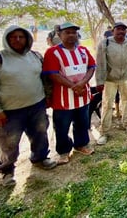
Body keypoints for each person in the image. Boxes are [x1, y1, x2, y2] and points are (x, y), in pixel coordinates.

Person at [0, 25, 57, 187]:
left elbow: (45, 79)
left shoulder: (35, 56)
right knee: (8, 142)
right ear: (7, 39)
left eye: (21, 37)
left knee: (40, 134)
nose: (17, 40)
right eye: (13, 37)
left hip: (37, 105)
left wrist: (48, 97)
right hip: (9, 111)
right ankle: (7, 171)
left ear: (27, 39)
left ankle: (40, 158)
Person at [43, 22, 95, 164]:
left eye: (74, 32)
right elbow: (52, 74)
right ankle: (64, 151)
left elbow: (91, 67)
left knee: (82, 123)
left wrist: (82, 83)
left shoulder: (83, 50)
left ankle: (81, 145)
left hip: (83, 96)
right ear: (59, 35)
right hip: (63, 99)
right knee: (61, 127)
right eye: (67, 32)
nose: (71, 35)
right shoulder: (53, 52)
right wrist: (74, 86)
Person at [95, 22, 127, 145]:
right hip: (110, 80)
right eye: (118, 29)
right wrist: (99, 81)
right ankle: (104, 132)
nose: (121, 32)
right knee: (107, 104)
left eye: (123, 30)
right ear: (113, 31)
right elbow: (100, 64)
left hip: (125, 78)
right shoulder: (105, 43)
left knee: (125, 101)